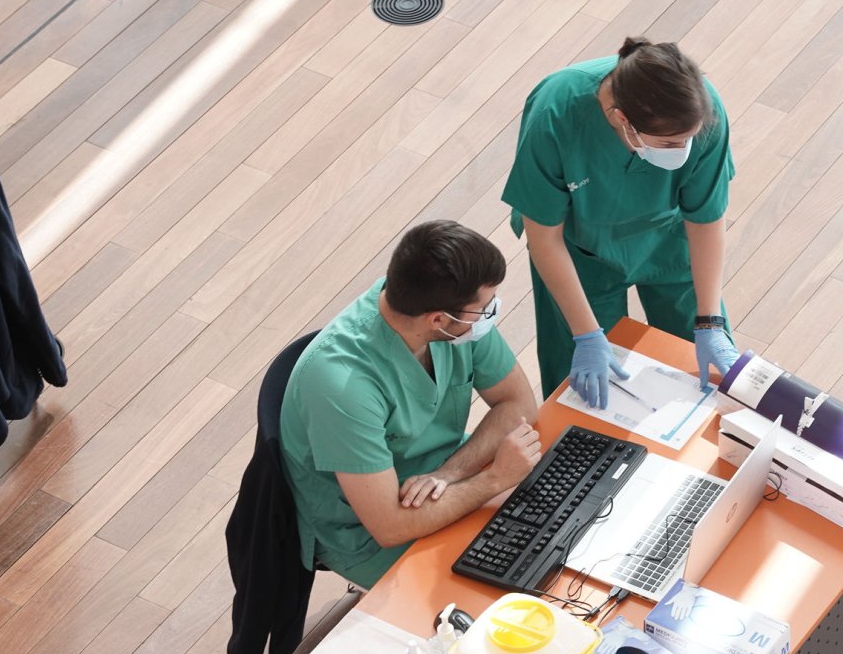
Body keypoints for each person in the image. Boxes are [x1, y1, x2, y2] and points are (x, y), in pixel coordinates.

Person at [279, 220, 542, 589]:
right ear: (438, 320)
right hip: (368, 531)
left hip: (447, 470)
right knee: (501, 585)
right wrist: (494, 479)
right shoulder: (342, 386)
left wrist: (448, 474)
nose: (490, 314)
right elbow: (390, 526)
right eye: (484, 308)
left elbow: (518, 404)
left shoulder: (447, 315)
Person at [502, 37, 740, 410]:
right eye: (668, 144)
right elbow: (544, 237)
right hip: (580, 253)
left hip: (670, 241)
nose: (682, 151)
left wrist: (710, 322)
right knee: (585, 393)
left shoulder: (701, 110)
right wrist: (585, 335)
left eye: (688, 141)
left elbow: (706, 216)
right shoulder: (556, 113)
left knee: (714, 376)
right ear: (621, 119)